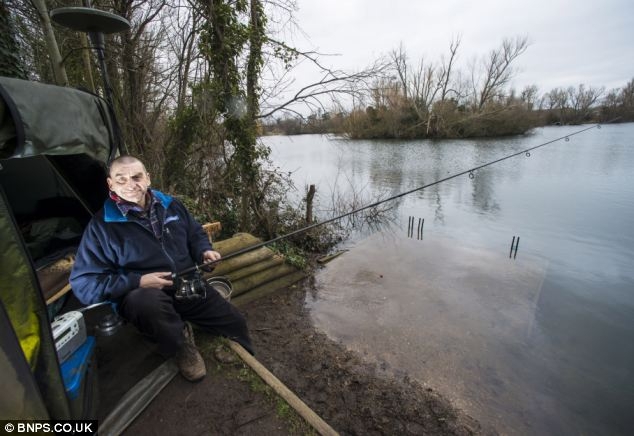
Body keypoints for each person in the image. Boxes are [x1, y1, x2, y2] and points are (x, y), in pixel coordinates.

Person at [70, 155, 253, 382]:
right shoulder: (100, 227)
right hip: (145, 298)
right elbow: (83, 284)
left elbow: (195, 233)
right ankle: (179, 346)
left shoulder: (171, 204)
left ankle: (190, 325)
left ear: (148, 178)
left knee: (236, 324)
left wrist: (204, 251)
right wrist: (138, 281)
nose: (130, 184)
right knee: (146, 303)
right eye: (121, 179)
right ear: (110, 184)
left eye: (137, 177)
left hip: (187, 284)